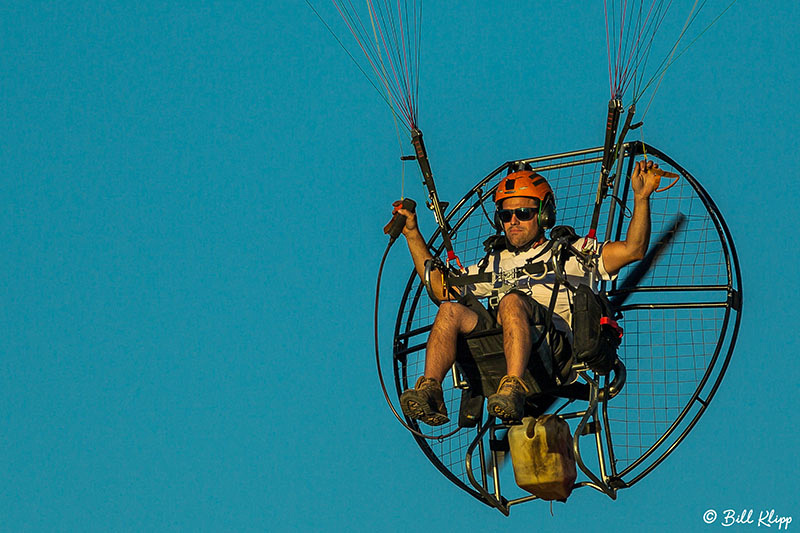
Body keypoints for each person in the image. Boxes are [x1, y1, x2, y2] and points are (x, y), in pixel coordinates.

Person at [393, 160, 664, 426]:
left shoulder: (571, 252)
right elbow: (440, 288)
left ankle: (514, 385)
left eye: (523, 213)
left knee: (511, 302)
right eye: (506, 215)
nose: (513, 221)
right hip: (499, 350)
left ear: (544, 214)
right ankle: (430, 391)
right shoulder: (493, 262)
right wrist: (412, 234)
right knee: (449, 309)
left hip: (553, 354)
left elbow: (633, 250)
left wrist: (641, 198)